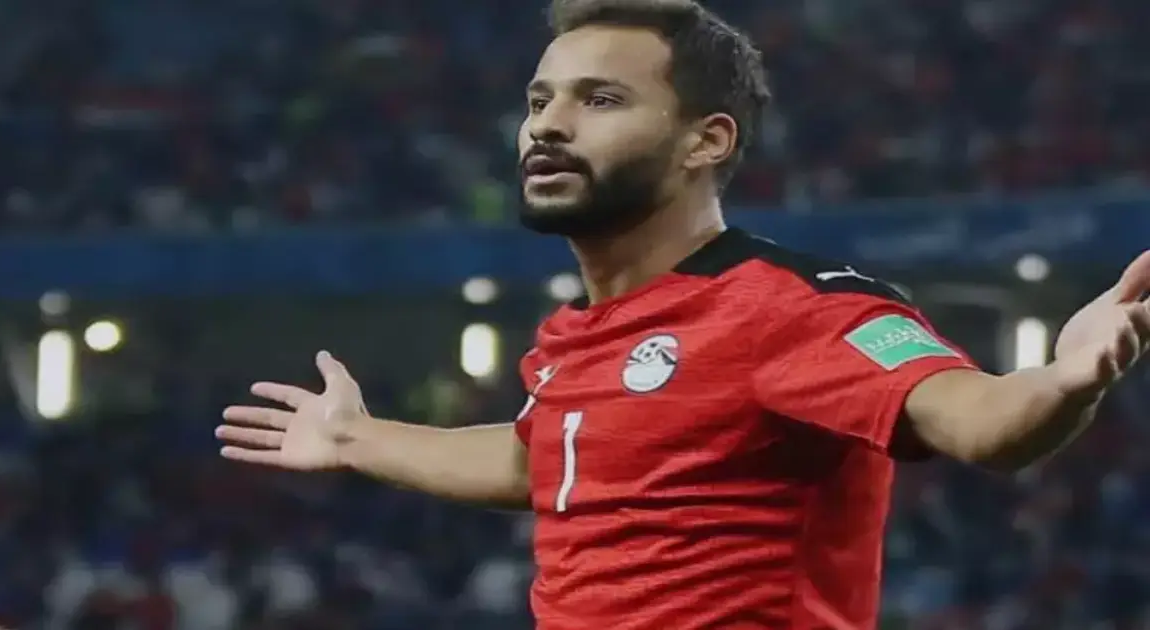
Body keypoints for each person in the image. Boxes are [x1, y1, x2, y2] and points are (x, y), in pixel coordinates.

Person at [214, 0, 1150, 627]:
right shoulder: (576, 336)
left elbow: (979, 421)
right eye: (539, 100)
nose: (547, 124)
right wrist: (357, 439)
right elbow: (545, 459)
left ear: (707, 140)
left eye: (600, 100)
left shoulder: (790, 307)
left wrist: (1062, 380)